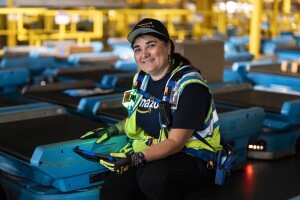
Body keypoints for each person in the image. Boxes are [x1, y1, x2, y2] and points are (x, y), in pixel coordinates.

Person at [81, 18, 223, 200]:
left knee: (152, 178)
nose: (144, 54)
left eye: (151, 45)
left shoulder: (190, 87)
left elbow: (176, 142)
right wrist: (114, 129)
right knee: (112, 192)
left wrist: (138, 157)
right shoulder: (141, 80)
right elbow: (138, 116)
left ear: (168, 47)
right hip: (155, 152)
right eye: (137, 49)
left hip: (195, 157)